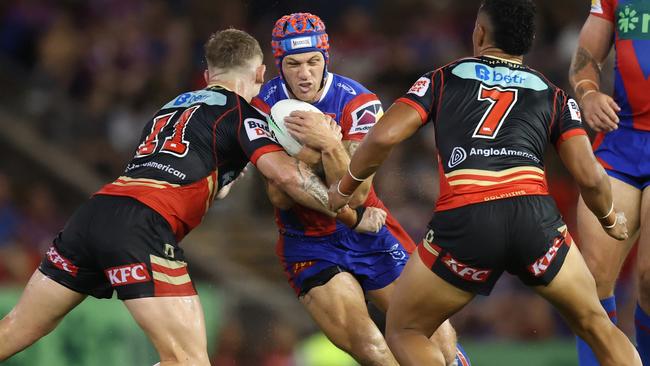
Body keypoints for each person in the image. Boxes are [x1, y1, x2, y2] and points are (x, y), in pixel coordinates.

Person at [0, 29, 381, 365]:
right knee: (187, 360)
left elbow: (193, 169)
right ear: (261, 74)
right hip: (142, 224)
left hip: (93, 213)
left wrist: (234, 170)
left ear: (207, 76)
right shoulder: (243, 114)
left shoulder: (170, 108)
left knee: (18, 327)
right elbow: (288, 178)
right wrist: (350, 213)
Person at [328, 0, 643, 365]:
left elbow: (382, 138)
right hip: (535, 222)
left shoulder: (441, 78)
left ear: (479, 33)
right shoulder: (553, 94)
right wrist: (609, 219)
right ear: (528, 40)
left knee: (405, 329)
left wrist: (344, 188)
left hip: (467, 220)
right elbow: (590, 175)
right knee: (597, 325)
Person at [251, 13, 468, 366]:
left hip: (374, 233)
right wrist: (325, 150)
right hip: (307, 242)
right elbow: (278, 194)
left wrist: (327, 144)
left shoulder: (360, 102)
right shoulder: (261, 106)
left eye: (313, 62)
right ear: (279, 64)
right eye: (293, 64)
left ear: (326, 59)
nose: (304, 73)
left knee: (437, 341)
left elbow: (359, 192)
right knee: (372, 349)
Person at [569, 1, 650, 364]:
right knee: (591, 281)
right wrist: (588, 93)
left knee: (649, 281)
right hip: (620, 141)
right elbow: (586, 59)